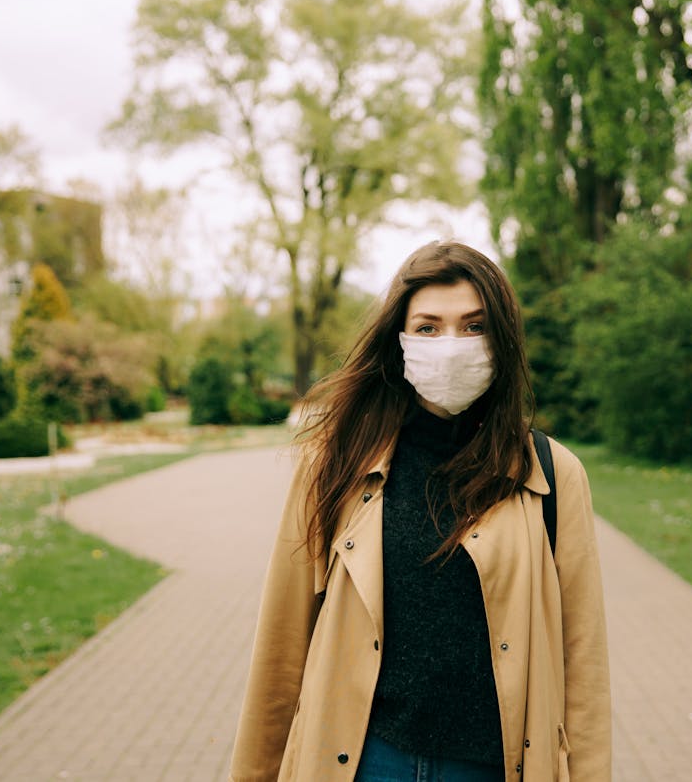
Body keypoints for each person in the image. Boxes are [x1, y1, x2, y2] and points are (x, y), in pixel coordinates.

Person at [229, 242, 611, 782]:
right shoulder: (334, 465)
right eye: (428, 327)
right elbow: (282, 643)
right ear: (400, 341)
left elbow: (584, 664)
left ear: (502, 342)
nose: (450, 345)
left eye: (474, 326)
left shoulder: (551, 474)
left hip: (494, 766)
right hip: (363, 762)